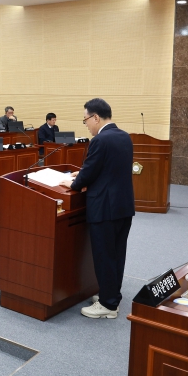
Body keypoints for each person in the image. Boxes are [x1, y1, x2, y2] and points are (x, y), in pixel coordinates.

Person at [59, 98, 135, 320]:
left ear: (95, 117)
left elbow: (90, 173)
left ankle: (108, 305)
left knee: (104, 255)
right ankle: (111, 295)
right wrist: (82, 172)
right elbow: (108, 168)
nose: (86, 125)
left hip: (105, 208)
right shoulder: (124, 136)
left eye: (85, 120)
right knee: (117, 254)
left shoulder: (100, 140)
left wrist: (73, 182)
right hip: (123, 206)